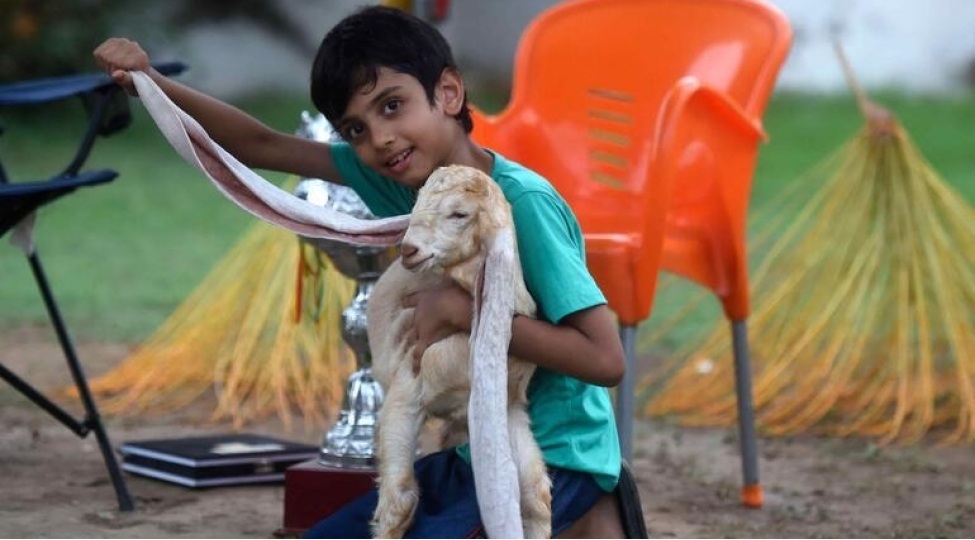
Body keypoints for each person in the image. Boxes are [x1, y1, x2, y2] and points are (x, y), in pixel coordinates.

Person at [94, 5, 626, 538]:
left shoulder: (521, 204)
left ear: (448, 93)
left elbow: (604, 359)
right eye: (355, 129)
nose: (381, 138)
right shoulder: (401, 181)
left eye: (392, 106)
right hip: (474, 455)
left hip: (553, 458)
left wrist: (465, 310)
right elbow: (263, 145)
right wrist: (151, 83)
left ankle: (601, 508)